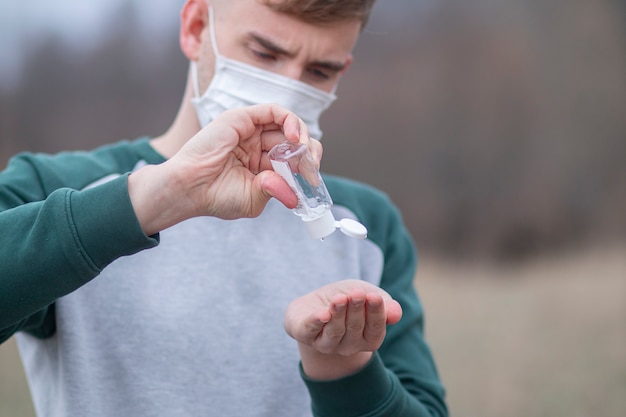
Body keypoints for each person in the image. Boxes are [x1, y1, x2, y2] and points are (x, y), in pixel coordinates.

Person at [0, 1, 448, 416]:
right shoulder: (58, 187)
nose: (288, 92)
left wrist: (344, 369)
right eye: (264, 53)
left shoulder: (365, 224)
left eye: (318, 71)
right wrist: (156, 199)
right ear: (196, 27)